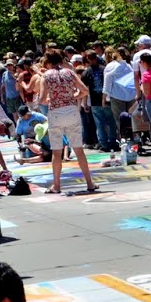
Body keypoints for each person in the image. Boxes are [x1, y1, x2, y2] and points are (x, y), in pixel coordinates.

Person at [36, 49, 99, 195]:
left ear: (49, 62)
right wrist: (73, 96)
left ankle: (57, 185)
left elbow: (42, 100)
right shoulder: (69, 72)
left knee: (56, 152)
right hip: (71, 110)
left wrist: (52, 99)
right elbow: (84, 90)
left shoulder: (46, 75)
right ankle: (89, 182)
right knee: (78, 149)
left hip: (56, 112)